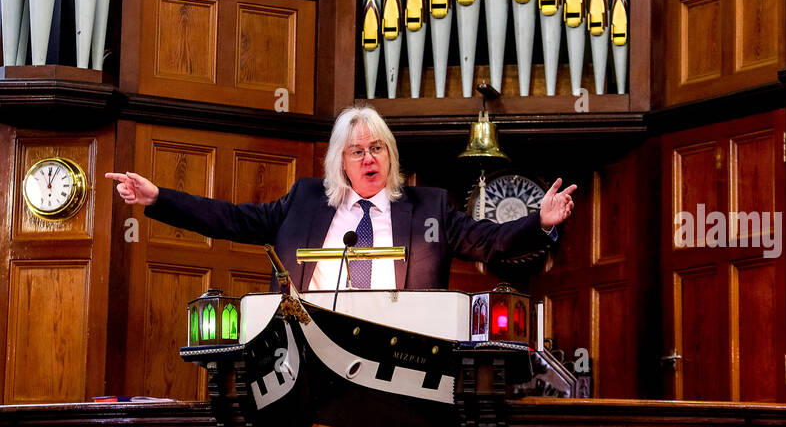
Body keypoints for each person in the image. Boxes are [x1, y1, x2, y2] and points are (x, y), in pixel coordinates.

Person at [107, 105, 575, 292]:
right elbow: (230, 218)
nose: (369, 158)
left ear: (390, 157)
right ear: (342, 162)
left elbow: (490, 240)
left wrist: (541, 223)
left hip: (400, 352)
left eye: (377, 148)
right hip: (306, 347)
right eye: (357, 151)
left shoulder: (429, 207)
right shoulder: (307, 201)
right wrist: (158, 198)